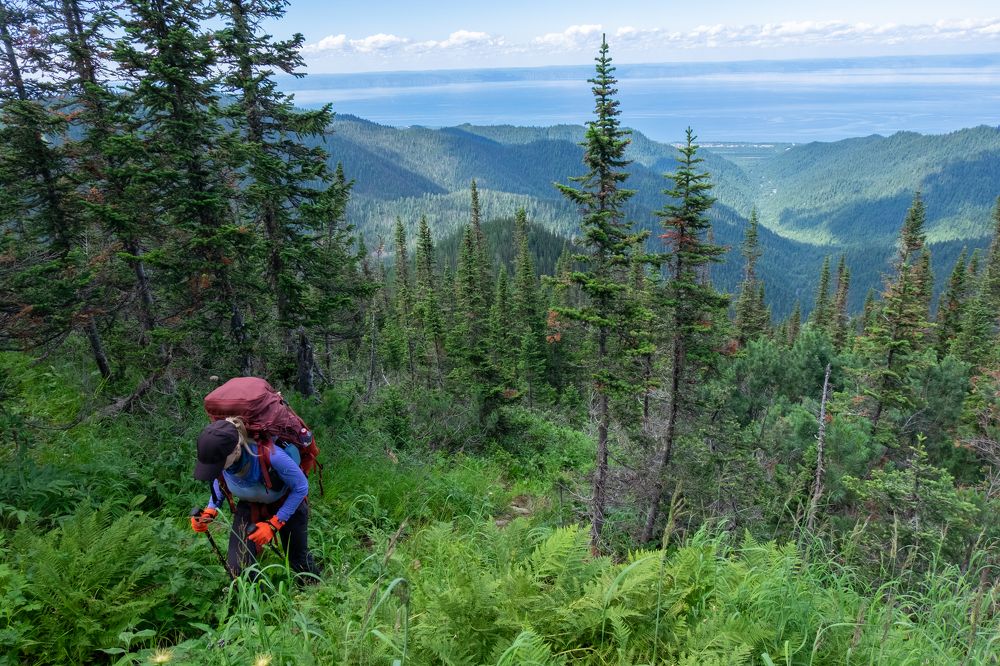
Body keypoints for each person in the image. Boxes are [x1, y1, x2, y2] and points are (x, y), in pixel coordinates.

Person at [191, 417, 319, 580]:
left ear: (236, 448)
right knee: (238, 567)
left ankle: (315, 589)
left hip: (286, 501)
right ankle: (255, 596)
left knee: (299, 561)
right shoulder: (224, 461)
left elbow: (301, 487)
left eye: (218, 464)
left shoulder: (273, 455)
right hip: (250, 505)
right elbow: (220, 478)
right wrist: (211, 509)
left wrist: (275, 523)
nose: (216, 468)